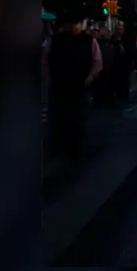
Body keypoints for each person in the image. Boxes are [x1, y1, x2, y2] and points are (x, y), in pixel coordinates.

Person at [43, 13, 103, 161]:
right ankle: (57, 147)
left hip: (79, 84)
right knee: (57, 117)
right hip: (58, 84)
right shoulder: (54, 40)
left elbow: (97, 61)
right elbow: (44, 57)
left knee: (77, 117)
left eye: (76, 24)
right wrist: (48, 76)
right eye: (71, 24)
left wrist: (90, 77)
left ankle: (76, 148)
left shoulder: (89, 41)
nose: (74, 27)